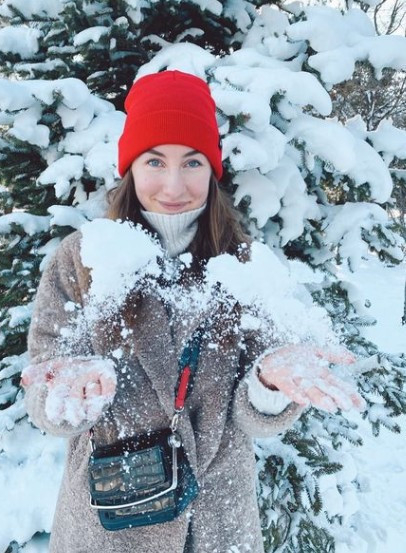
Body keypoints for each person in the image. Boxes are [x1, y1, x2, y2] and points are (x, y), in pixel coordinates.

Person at [21, 70, 364, 553]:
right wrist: (68, 394)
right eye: (155, 161)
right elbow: (46, 394)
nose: (174, 185)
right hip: (109, 524)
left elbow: (254, 419)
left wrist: (268, 385)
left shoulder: (244, 266)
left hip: (215, 524)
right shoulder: (82, 259)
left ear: (212, 169)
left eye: (192, 162)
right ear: (131, 167)